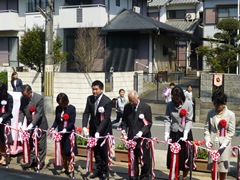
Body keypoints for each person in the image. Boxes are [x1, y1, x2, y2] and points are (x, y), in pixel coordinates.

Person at [82, 80, 112, 180]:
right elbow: (86, 113)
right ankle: (98, 170)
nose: (94, 91)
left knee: (103, 152)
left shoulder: (107, 101)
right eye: (93, 89)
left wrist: (99, 131)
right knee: (96, 152)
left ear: (101, 89)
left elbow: (106, 119)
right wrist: (84, 126)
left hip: (103, 131)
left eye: (96, 89)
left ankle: (105, 172)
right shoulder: (90, 99)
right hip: (93, 129)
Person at [120, 90, 152, 180]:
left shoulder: (146, 107)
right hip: (132, 137)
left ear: (138, 98)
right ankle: (134, 175)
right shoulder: (127, 107)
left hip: (143, 138)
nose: (131, 103)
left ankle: (145, 176)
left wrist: (141, 132)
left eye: (133, 100)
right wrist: (124, 131)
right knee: (133, 158)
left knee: (144, 159)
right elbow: (124, 122)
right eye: (130, 100)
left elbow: (149, 123)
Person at [164, 85, 193, 180]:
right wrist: (166, 133)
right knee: (174, 157)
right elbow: (167, 119)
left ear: (181, 96)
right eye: (174, 98)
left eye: (178, 98)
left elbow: (189, 120)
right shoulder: (169, 105)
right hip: (174, 133)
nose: (176, 100)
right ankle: (174, 176)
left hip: (185, 133)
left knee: (184, 157)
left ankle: (184, 177)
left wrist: (185, 133)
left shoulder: (188, 104)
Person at [204, 91, 235, 180]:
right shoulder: (210, 113)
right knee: (213, 170)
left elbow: (231, 131)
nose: (216, 106)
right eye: (214, 104)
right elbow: (206, 128)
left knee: (222, 171)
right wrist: (207, 140)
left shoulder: (230, 115)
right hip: (213, 144)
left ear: (224, 103)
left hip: (224, 146)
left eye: (218, 104)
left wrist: (225, 143)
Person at [19, 84, 48, 170]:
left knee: (41, 144)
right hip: (30, 125)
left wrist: (32, 124)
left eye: (26, 95)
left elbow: (39, 113)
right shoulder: (23, 99)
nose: (25, 97)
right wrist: (20, 122)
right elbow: (21, 111)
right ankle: (32, 161)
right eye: (23, 95)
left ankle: (40, 162)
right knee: (31, 143)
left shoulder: (39, 98)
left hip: (40, 125)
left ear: (30, 92)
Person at [50, 93, 78, 174]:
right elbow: (56, 120)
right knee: (62, 150)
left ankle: (70, 165)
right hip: (61, 133)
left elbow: (72, 122)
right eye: (59, 103)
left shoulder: (72, 109)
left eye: (62, 103)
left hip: (69, 133)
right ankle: (64, 165)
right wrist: (52, 127)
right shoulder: (58, 109)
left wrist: (66, 128)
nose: (61, 105)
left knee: (68, 150)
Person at [0, 82, 13, 166]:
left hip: (6, 120)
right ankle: (2, 155)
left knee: (5, 139)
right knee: (0, 139)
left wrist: (2, 118)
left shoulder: (9, 98)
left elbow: (9, 111)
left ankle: (6, 156)